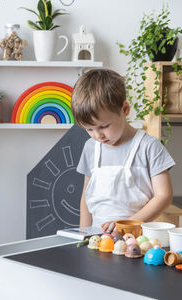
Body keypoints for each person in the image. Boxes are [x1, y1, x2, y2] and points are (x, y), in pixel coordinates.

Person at [71, 68, 175, 234]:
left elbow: (163, 196)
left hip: (137, 239)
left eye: (104, 126)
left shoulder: (149, 147)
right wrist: (83, 233)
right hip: (97, 239)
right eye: (89, 129)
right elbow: (86, 197)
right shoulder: (90, 147)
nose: (98, 135)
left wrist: (127, 225)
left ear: (125, 109)